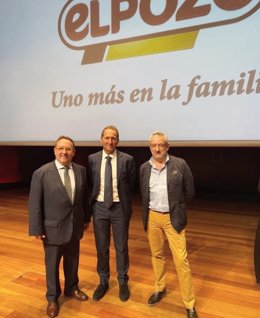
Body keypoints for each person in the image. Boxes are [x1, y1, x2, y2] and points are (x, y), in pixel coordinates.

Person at [28, 136, 90, 318]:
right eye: (61, 148)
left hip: (75, 226)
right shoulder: (42, 173)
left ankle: (71, 288)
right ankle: (52, 298)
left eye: (68, 149)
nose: (65, 152)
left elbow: (83, 198)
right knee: (52, 265)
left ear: (74, 152)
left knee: (72, 260)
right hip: (52, 229)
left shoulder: (81, 170)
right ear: (55, 150)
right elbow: (34, 204)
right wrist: (36, 228)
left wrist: (86, 218)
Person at [139, 131, 198, 318]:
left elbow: (190, 192)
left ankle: (189, 304)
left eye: (161, 145)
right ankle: (160, 288)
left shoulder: (180, 164)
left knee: (181, 261)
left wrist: (177, 207)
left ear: (167, 147)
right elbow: (143, 193)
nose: (157, 148)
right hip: (152, 217)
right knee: (156, 255)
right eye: (154, 145)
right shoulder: (144, 168)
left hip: (173, 218)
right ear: (150, 147)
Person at [88, 125, 135, 302]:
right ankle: (103, 281)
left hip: (119, 208)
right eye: (107, 138)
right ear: (101, 139)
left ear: (118, 140)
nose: (110, 141)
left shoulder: (127, 159)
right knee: (102, 247)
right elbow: (91, 183)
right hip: (99, 207)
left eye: (113, 138)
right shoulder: (92, 159)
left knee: (121, 247)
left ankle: (123, 282)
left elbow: (130, 184)